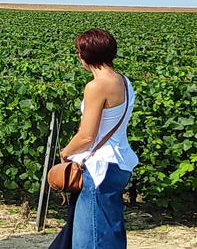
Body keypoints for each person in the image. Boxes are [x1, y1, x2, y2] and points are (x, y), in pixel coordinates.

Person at [55, 29, 139, 249]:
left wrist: (65, 152)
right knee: (109, 233)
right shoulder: (123, 81)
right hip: (120, 163)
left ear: (85, 56)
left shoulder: (97, 86)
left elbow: (86, 136)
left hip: (98, 168)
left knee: (90, 240)